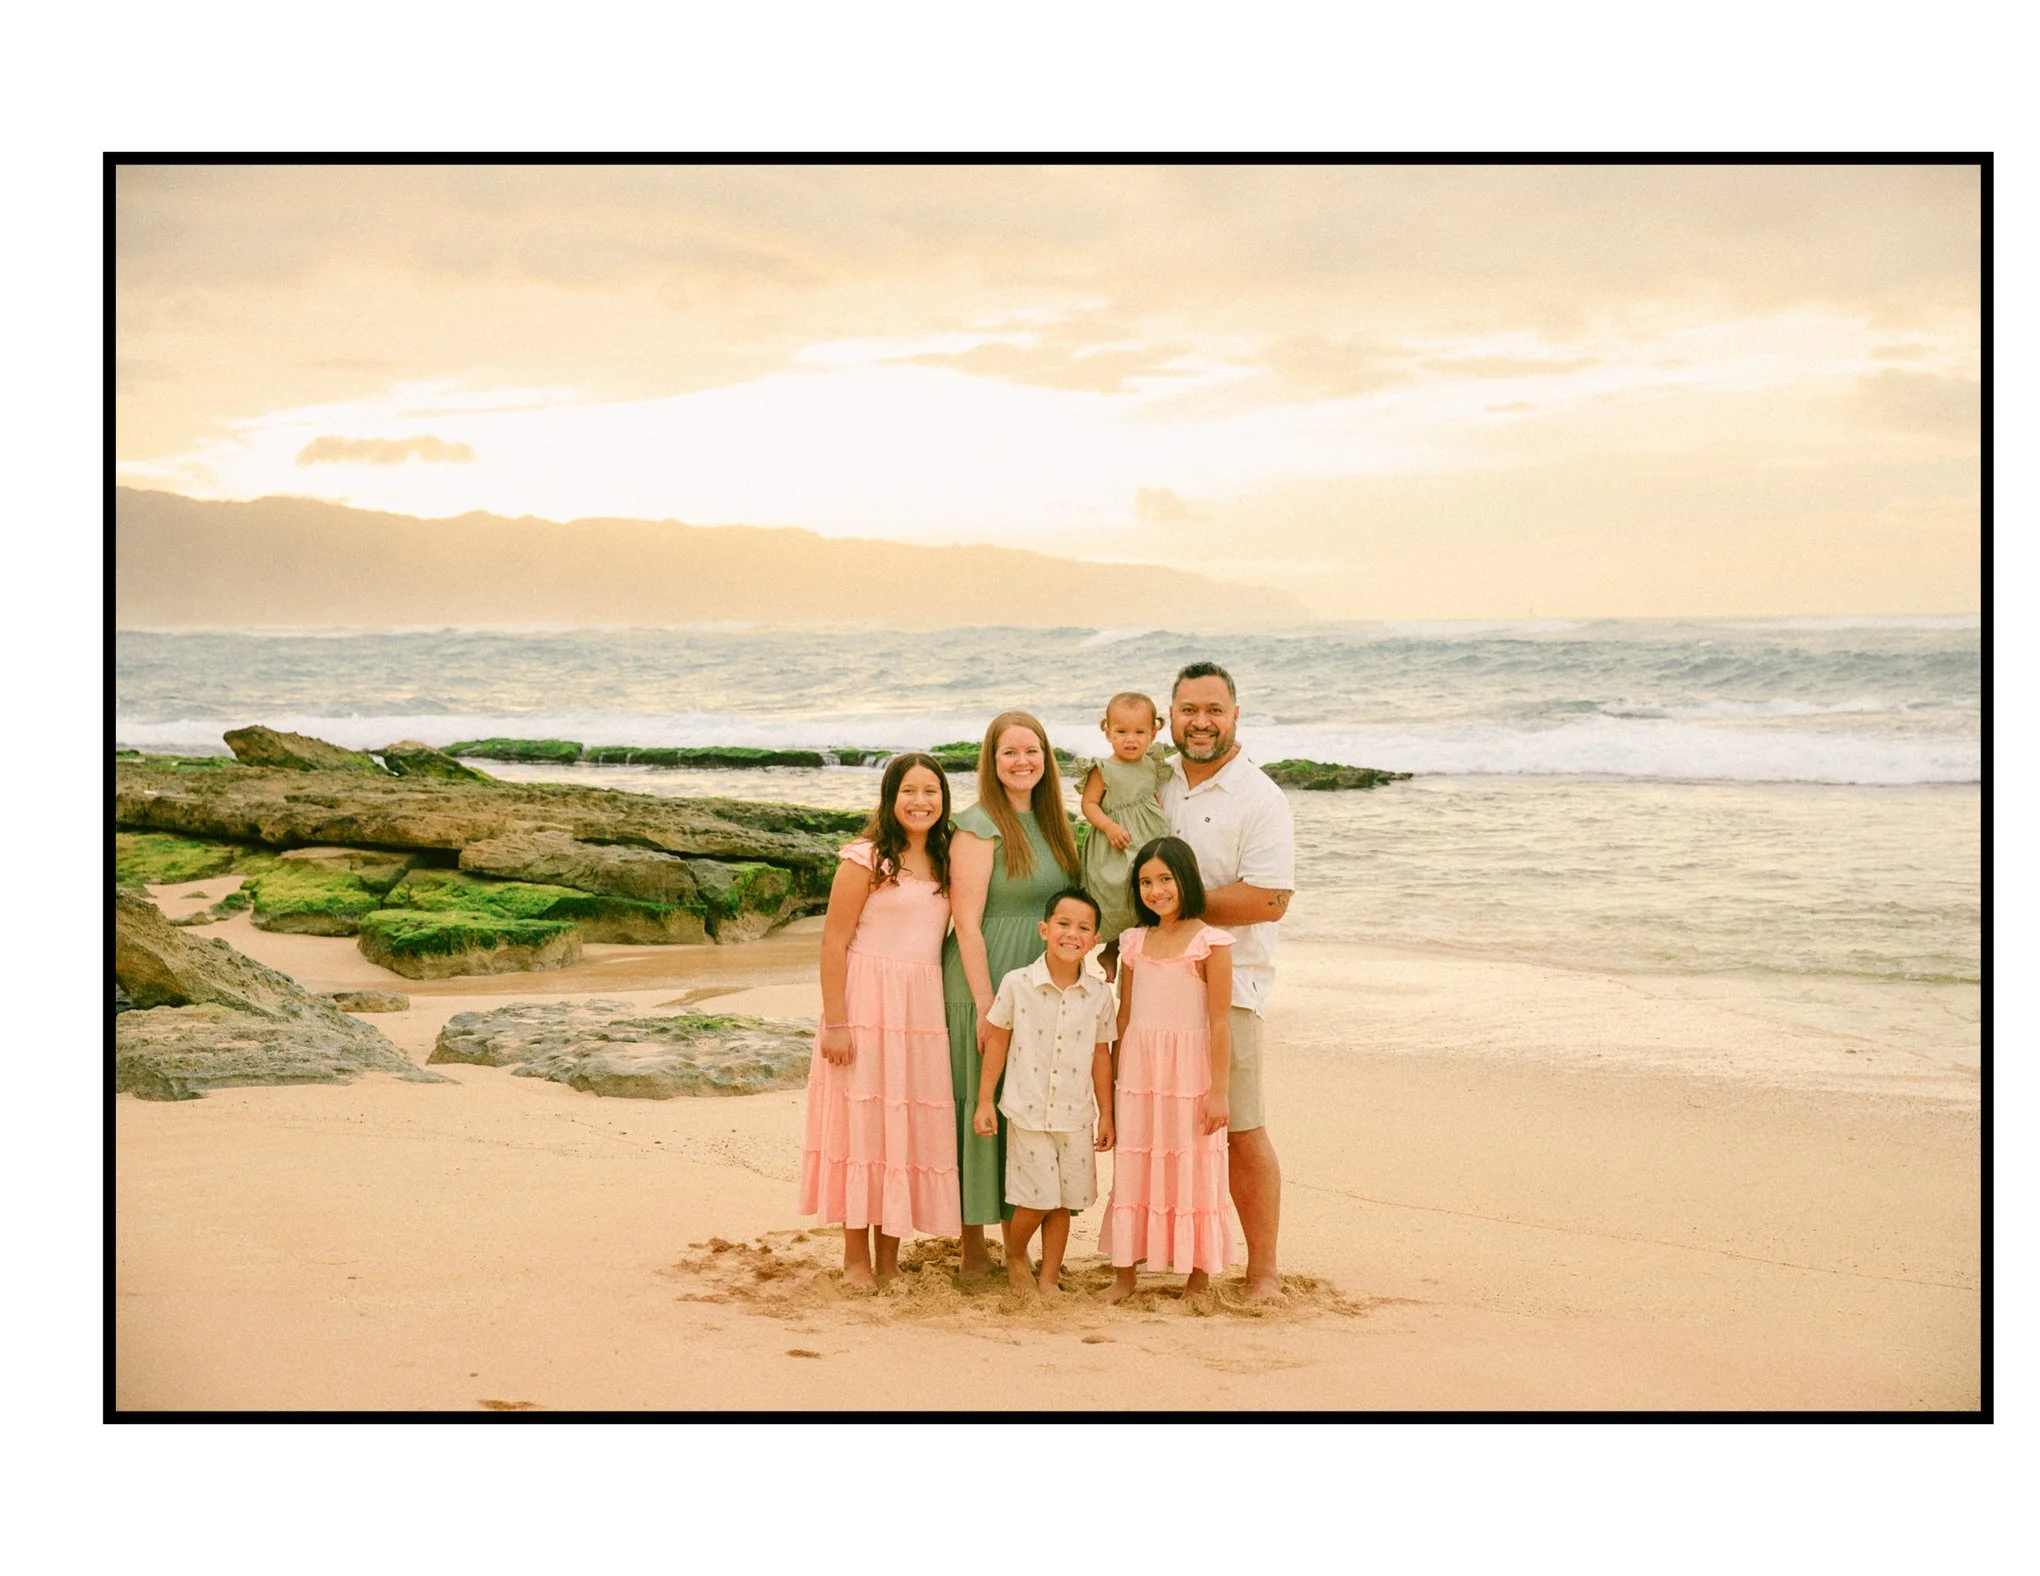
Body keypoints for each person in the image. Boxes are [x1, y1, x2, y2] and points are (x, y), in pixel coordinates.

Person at [1159, 661, 1295, 1305]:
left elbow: (1270, 900)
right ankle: (1188, 1262)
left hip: (1231, 990)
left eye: (1213, 709)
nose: (1201, 722)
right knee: (1165, 1126)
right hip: (1155, 986)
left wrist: (1175, 905)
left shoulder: (1259, 797)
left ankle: (1262, 1272)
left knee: (1240, 1126)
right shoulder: (1156, 787)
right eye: (1189, 709)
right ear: (1170, 716)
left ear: (1236, 714)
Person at [798, 752, 961, 1287]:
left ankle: (889, 1260)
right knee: (860, 1128)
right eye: (909, 791)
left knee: (902, 1129)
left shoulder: (947, 863)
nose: (920, 801)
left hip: (919, 1009)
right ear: (890, 799)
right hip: (865, 1004)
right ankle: (854, 1261)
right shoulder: (865, 858)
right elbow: (833, 942)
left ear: (944, 798)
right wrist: (837, 1022)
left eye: (931, 791)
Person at [941, 710, 1084, 1279]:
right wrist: (983, 1004)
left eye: (1033, 751)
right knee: (980, 1102)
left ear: (1046, 758)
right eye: (1009, 752)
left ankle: (1020, 1244)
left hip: (1045, 979)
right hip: (984, 975)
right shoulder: (978, 825)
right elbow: (967, 921)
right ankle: (975, 1249)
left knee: (1031, 1104)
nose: (1022, 761)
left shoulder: (1059, 823)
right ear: (992, 762)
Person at [1098, 836, 1235, 1301]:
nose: (1155, 891)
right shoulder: (1134, 942)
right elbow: (1124, 1015)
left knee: (1192, 1164)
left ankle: (1198, 1277)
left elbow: (1219, 1024)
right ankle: (1124, 1275)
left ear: (1186, 879)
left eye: (1165, 879)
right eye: (1145, 882)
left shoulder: (1210, 943)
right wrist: (1112, 1091)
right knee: (1135, 1163)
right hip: (1139, 1072)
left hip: (1190, 1075)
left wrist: (1220, 1092)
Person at [971, 888, 1117, 1297]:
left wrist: (1106, 1114)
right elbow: (997, 1041)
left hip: (1075, 1115)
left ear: (1094, 940)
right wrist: (985, 1101)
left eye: (1083, 928)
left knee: (1063, 1202)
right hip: (1028, 1111)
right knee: (1035, 1200)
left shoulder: (1099, 995)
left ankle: (1050, 1277)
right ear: (1044, 929)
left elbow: (1100, 1057)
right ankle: (1016, 1254)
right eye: (1063, 924)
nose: (1072, 934)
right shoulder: (1017, 984)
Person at [1077, 691, 1173, 982]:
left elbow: (1146, 792)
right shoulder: (1103, 769)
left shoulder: (1150, 763)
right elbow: (1089, 804)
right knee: (1118, 893)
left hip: (1148, 836)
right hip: (1117, 842)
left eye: (1139, 732)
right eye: (1121, 732)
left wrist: (1151, 802)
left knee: (1149, 893)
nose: (1130, 740)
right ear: (1107, 732)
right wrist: (1108, 827)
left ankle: (1140, 949)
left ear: (1154, 732)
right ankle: (1111, 948)